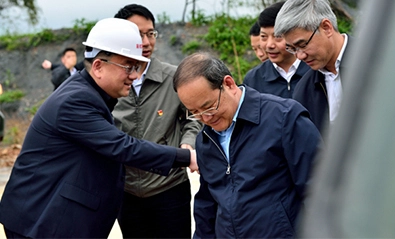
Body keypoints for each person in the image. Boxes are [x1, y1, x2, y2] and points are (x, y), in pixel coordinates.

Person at [0, 18, 197, 239]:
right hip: (42, 221)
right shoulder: (75, 101)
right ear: (98, 66)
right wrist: (186, 157)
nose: (134, 75)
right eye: (128, 67)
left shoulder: (89, 93)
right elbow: (123, 147)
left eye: (137, 67)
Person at [173, 52, 323, 238]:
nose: (205, 118)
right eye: (194, 112)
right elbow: (207, 208)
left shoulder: (285, 118)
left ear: (228, 84)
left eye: (209, 106)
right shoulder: (205, 140)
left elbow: (318, 190)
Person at [112, 4, 202, 238]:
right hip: (127, 190)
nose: (146, 42)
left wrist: (188, 142)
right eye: (137, 34)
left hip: (170, 187)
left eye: (150, 33)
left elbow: (194, 116)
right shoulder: (108, 85)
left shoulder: (175, 77)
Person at [274, 0, 350, 135]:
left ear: (326, 27)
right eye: (292, 49)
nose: (299, 56)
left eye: (302, 45)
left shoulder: (377, 60)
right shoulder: (304, 90)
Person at [243, 1, 310, 99]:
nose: (269, 45)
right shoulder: (253, 79)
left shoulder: (315, 69)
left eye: (277, 36)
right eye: (263, 37)